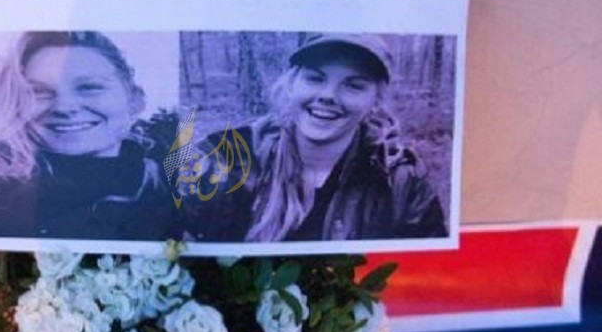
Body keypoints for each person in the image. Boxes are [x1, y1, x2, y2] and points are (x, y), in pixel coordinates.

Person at [183, 33, 446, 243]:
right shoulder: (229, 158)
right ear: (291, 85)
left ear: (375, 101)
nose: (328, 95)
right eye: (315, 78)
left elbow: (426, 269)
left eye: (354, 85)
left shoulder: (399, 182)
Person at [0, 31, 178, 240]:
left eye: (89, 87)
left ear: (135, 100)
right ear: (14, 105)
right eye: (39, 92)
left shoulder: (179, 197)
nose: (64, 107)